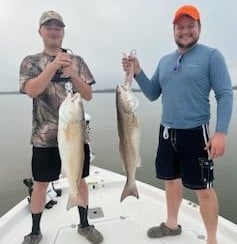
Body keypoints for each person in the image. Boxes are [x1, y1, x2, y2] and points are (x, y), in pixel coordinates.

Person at [122, 5, 233, 244]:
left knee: (203, 189)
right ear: (173, 30)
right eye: (180, 27)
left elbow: (225, 94)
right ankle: (171, 225)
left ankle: (212, 239)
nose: (185, 31)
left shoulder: (212, 56)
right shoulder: (165, 61)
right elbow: (152, 93)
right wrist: (138, 71)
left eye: (190, 26)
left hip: (196, 133)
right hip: (166, 132)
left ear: (199, 28)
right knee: (170, 181)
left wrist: (221, 132)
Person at [19, 10, 103, 244]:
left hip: (76, 137)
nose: (54, 30)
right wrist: (53, 65)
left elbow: (87, 95)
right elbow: (31, 90)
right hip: (44, 137)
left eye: (58, 27)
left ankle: (85, 225)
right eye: (49, 26)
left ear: (63, 31)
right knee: (40, 184)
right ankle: (35, 231)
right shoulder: (31, 61)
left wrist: (73, 75)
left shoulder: (77, 61)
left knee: (79, 180)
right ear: (40, 31)